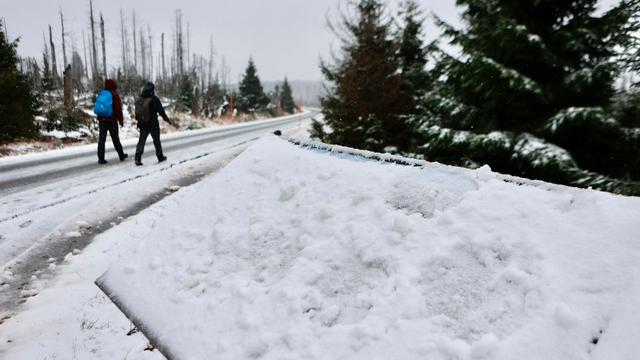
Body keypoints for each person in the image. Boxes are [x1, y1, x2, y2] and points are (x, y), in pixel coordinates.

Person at [134, 82, 174, 166]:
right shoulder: (154, 99)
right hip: (153, 123)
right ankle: (160, 156)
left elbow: (138, 113)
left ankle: (137, 158)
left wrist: (139, 122)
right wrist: (167, 120)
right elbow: (161, 111)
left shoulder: (140, 99)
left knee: (141, 141)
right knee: (156, 141)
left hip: (143, 123)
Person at [96, 79, 128, 164]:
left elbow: (99, 106)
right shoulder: (114, 95)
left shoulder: (102, 93)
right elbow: (118, 109)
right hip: (112, 120)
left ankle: (101, 158)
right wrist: (121, 121)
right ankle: (121, 155)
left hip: (102, 120)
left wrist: (100, 118)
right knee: (115, 139)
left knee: (101, 139)